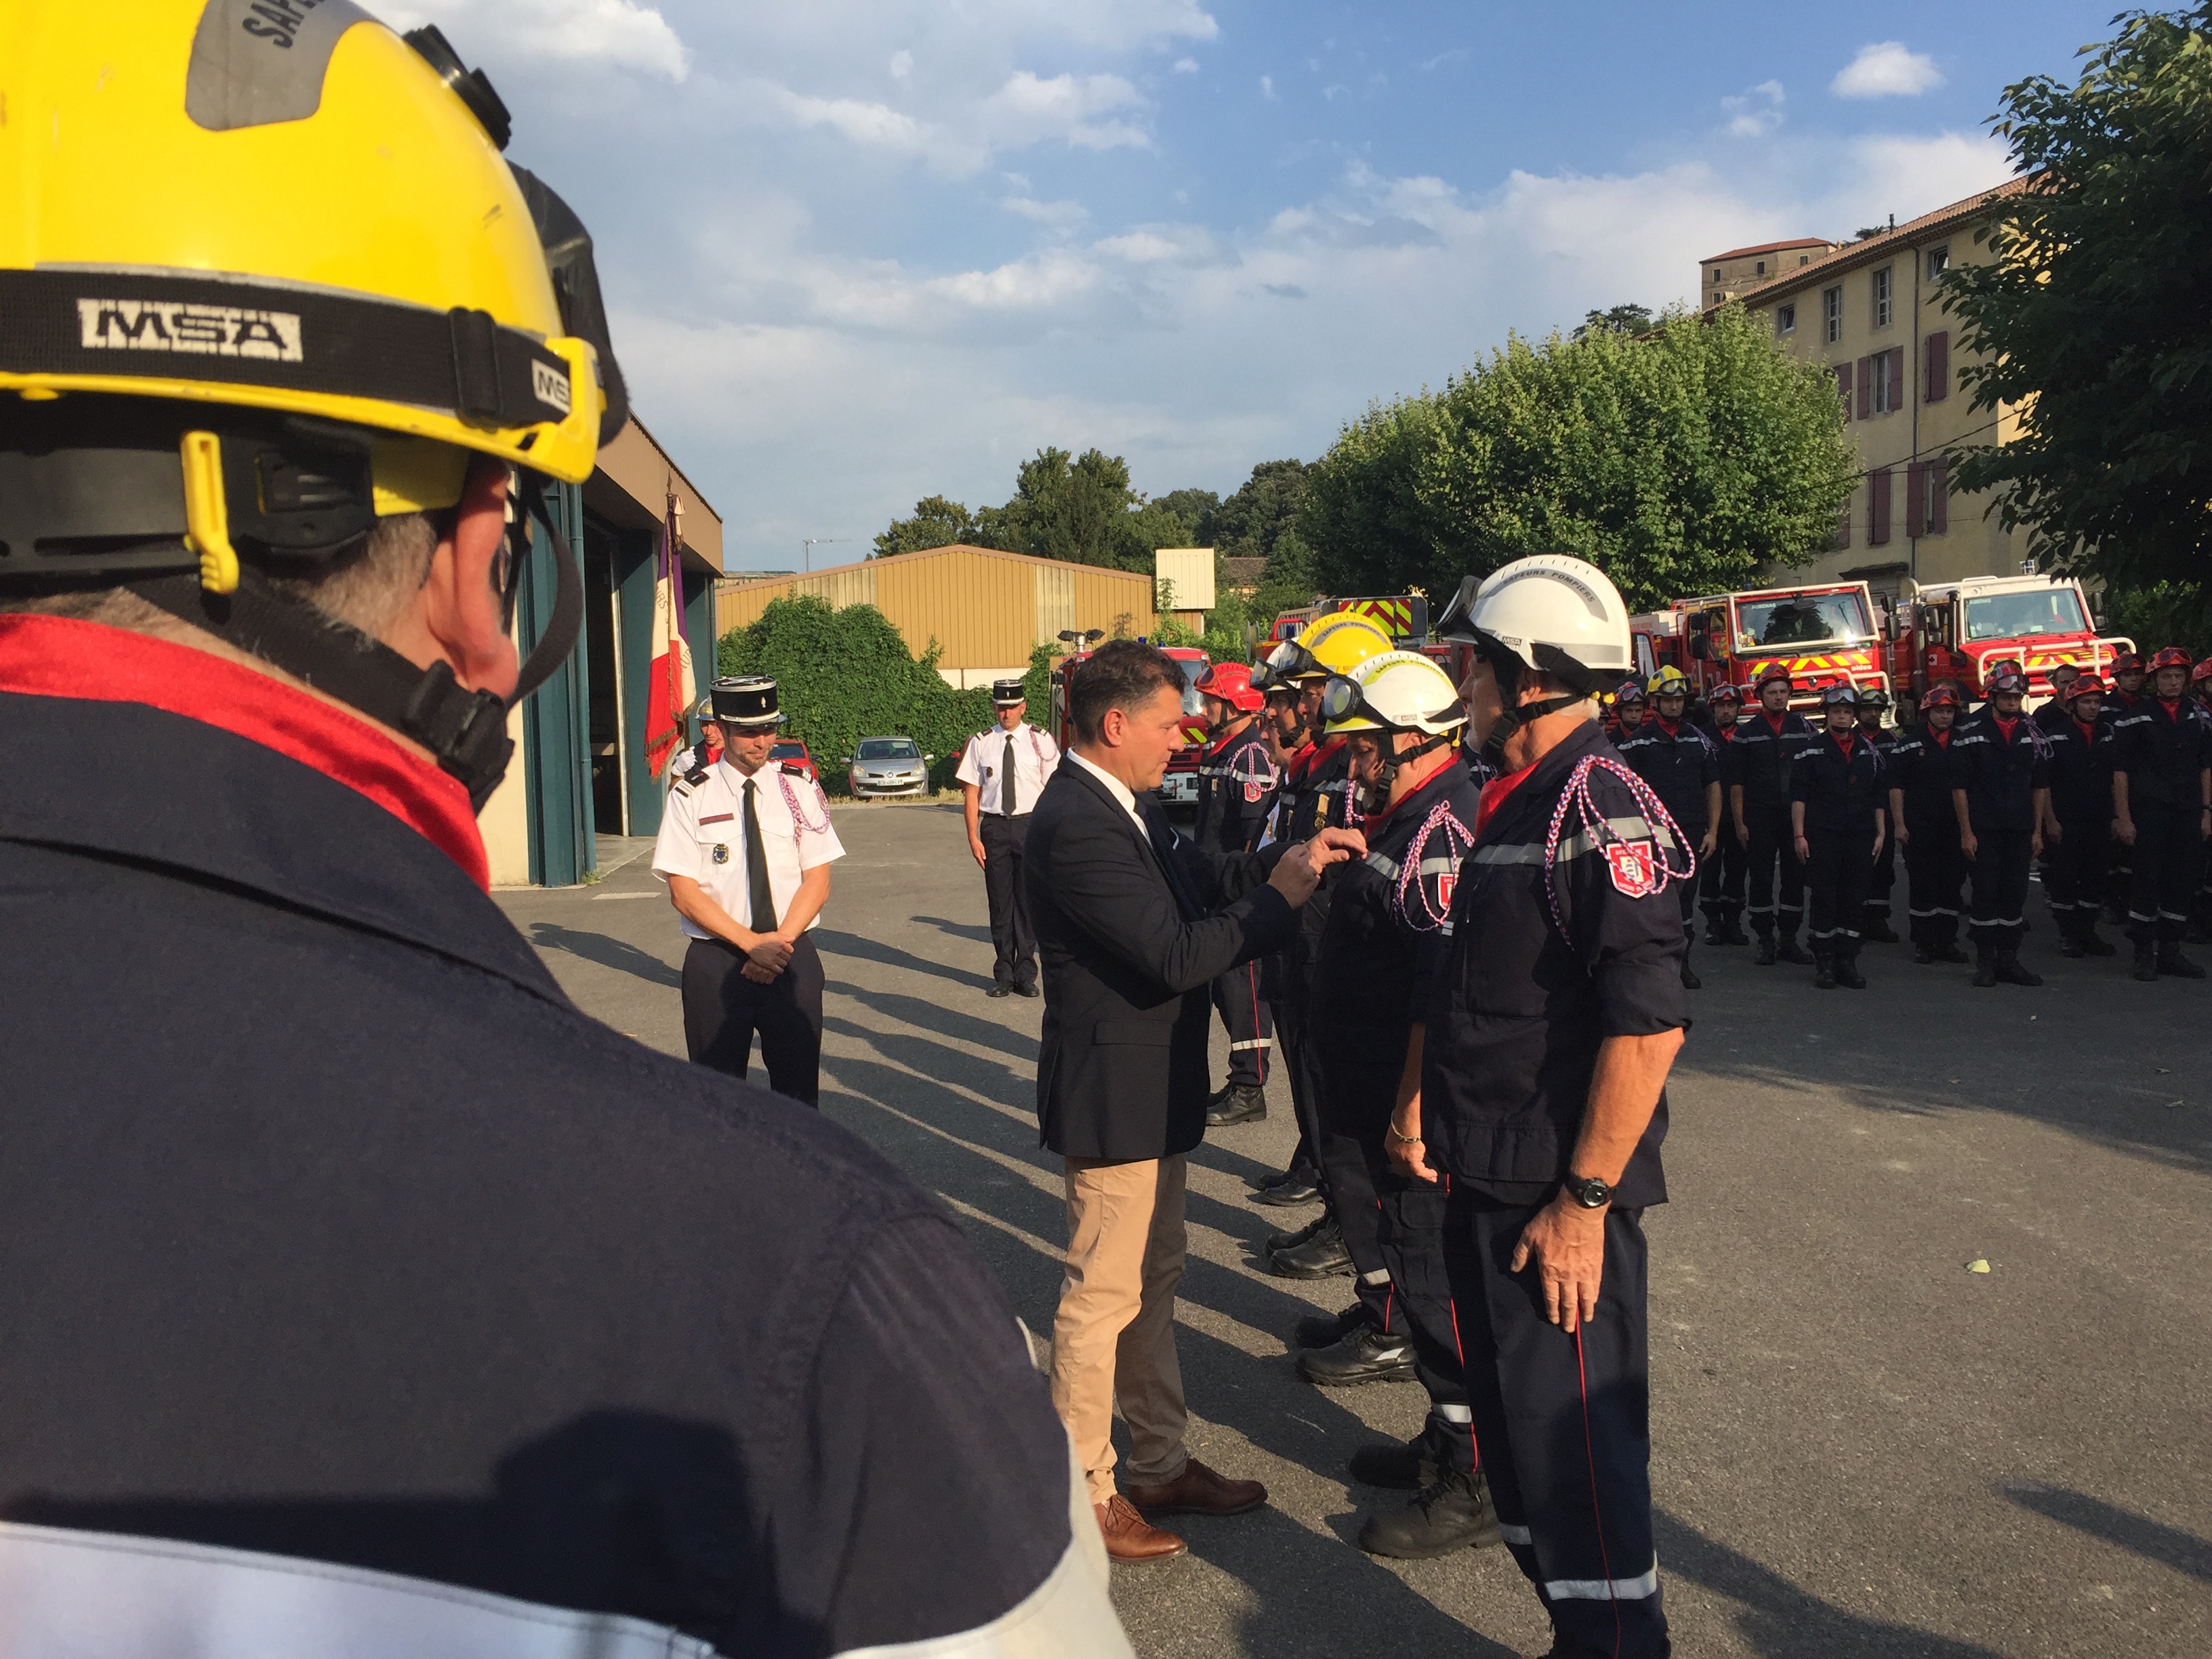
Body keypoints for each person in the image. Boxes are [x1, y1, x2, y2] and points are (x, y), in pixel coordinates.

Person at [0, 12, 1124, 1652]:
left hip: (780, 960)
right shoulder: (783, 1307)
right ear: (476, 564)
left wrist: (786, 923)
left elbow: (802, 848)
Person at [1023, 640, 1359, 1561]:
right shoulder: (1076, 822)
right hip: (1115, 1094)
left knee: (1153, 1281)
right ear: (1117, 723)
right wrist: (1283, 900)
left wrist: (1288, 860)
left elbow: (1203, 882)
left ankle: (1159, 1463)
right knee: (1101, 1296)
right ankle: (1079, 1492)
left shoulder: (1121, 805)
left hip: (1152, 1087)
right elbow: (1173, 953)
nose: (1184, 739)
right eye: (1171, 724)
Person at [1409, 554, 1689, 1659]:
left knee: (1577, 1466)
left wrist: (1579, 1202)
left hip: (1550, 1206)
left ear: (1525, 677)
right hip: (1489, 1181)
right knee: (1525, 1467)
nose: (1459, 687)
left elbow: (1645, 1026)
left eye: (1472, 666)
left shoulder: (1599, 801)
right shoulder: (1512, 796)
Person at [1296, 652, 1500, 1561]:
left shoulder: (1442, 829)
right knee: (1419, 1276)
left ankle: (1476, 1474)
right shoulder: (1409, 816)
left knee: (1433, 1278)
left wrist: (1413, 1109)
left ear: (1411, 740)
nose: (1352, 763)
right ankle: (1446, 1437)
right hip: (1376, 1092)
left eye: (1366, 747)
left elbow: (1439, 993)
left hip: (1413, 1112)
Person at [1248, 613, 1397, 1284]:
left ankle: (1354, 1235)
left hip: (1339, 958)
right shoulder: (1319, 766)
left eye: (1309, 689)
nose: (1300, 704)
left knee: (1342, 1109)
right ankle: (1341, 1215)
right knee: (1318, 1098)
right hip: (1307, 953)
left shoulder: (1357, 767)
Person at [655, 676, 842, 1103]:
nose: (762, 741)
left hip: (791, 956)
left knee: (798, 1098)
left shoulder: (799, 788)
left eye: (769, 728)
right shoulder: (691, 796)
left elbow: (818, 879)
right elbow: (683, 892)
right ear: (721, 728)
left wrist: (776, 945)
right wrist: (751, 944)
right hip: (717, 960)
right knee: (718, 1100)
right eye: (748, 731)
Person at [1193, 659, 1283, 1125]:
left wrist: (1242, 890)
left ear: (1236, 704)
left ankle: (1250, 1088)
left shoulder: (1249, 755)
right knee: (1222, 990)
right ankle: (1239, 1079)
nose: (1204, 708)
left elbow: (1251, 833)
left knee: (1243, 988)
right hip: (1215, 885)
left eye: (1212, 701)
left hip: (1236, 890)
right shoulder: (1221, 748)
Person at [2108, 647, 2212, 981]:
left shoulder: (2198, 715)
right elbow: (2120, 771)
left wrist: (2207, 811)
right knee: (2148, 880)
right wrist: (2123, 817)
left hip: (2188, 809)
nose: (2172, 682)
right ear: (2154, 680)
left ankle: (2170, 951)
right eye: (2166, 676)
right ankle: (2143, 953)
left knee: (2182, 881)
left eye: (2178, 676)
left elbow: (2205, 767)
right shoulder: (2136, 716)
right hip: (2149, 809)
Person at [1617, 666, 1721, 989]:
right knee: (1652, 902)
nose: (1674, 706)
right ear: (1655, 703)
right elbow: (1622, 792)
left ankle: (1681, 963)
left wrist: (1713, 831)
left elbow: (1713, 786)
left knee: (1685, 902)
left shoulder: (1699, 740)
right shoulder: (1637, 744)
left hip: (1691, 833)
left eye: (1679, 700)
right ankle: (1652, 967)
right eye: (1667, 700)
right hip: (1654, 836)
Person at [956, 677, 1060, 997]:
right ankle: (1003, 973)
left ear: (1024, 707)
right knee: (1000, 904)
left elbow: (1053, 791)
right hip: (996, 828)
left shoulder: (1041, 741)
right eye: (1001, 708)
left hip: (1031, 826)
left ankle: (1026, 973)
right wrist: (973, 836)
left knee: (1028, 904)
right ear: (994, 708)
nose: (1007, 713)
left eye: (1012, 707)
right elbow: (972, 794)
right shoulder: (981, 742)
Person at [1950, 669, 2052, 988]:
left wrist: (2037, 830)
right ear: (1992, 696)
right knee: (1985, 893)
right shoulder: (1970, 731)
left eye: (2016, 697)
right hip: (1985, 828)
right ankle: (1985, 961)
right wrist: (1966, 831)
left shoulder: (2032, 732)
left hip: (2019, 827)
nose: (2012, 702)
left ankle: (2009, 959)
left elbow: (2040, 786)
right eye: (2006, 697)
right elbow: (1960, 788)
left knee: (2014, 894)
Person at [1792, 686, 1887, 989]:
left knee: (1854, 899)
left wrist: (1881, 831)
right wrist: (1799, 835)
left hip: (1860, 835)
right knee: (1825, 899)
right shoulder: (1811, 751)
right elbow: (1799, 797)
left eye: (1847, 712)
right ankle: (1825, 962)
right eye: (1837, 712)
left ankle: (1848, 960)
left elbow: (1877, 796)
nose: (1843, 717)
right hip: (1823, 836)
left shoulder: (1868, 752)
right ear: (1827, 715)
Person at [1729, 665, 1817, 966]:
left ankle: (1789, 940)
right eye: (1772, 692)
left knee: (1795, 877)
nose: (1779, 697)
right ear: (1760, 696)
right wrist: (1740, 822)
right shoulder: (1746, 733)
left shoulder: (1805, 729)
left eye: (1783, 692)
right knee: (1761, 878)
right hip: (1759, 816)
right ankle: (1765, 940)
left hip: (1794, 817)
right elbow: (1736, 783)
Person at [1889, 684, 1971, 965]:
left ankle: (1947, 941)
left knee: (1952, 884)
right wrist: (1899, 824)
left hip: (1954, 826)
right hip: (1921, 825)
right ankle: (1924, 942)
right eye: (1939, 711)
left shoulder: (1965, 742)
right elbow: (1896, 787)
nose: (1945, 716)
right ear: (1927, 713)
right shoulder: (1909, 744)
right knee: (1924, 885)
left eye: (1949, 711)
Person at [2041, 673, 2117, 958]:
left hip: (2098, 817)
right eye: (2086, 702)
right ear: (2072, 705)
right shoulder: (2055, 737)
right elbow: (2044, 784)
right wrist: (2050, 820)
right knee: (2065, 877)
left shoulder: (2109, 734)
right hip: (2066, 818)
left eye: (2097, 701)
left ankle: (2087, 931)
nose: (2093, 707)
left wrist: (2118, 816)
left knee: (2096, 877)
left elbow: (2116, 778)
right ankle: (2068, 934)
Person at [1696, 682, 1750, 945]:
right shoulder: (1701, 737)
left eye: (1731, 706)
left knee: (1738, 869)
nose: (1726, 711)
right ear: (1713, 709)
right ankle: (1713, 923)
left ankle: (1733, 921)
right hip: (1710, 818)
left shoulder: (1747, 736)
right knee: (1710, 870)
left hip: (1740, 817)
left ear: (1738, 708)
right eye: (1721, 706)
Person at [1854, 687, 1903, 942]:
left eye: (1877, 709)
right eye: (1867, 709)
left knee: (1883, 868)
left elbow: (1899, 782)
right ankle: (1856, 917)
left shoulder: (1893, 742)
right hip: (1855, 815)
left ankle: (1878, 918)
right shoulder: (1848, 739)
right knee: (1856, 867)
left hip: (1885, 815)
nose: (1872, 714)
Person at [2103, 651, 2148, 924]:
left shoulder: (2149, 704)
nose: (2133, 680)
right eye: (2127, 675)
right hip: (2110, 780)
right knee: (2114, 847)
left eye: (2136, 674)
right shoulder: (2106, 708)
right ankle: (2114, 901)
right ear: (2118, 678)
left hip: (2142, 782)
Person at [2032, 662, 2081, 734]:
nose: (2070, 686)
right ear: (2055, 684)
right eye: (2065, 682)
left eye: (2074, 681)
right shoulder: (2043, 714)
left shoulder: (2090, 709)